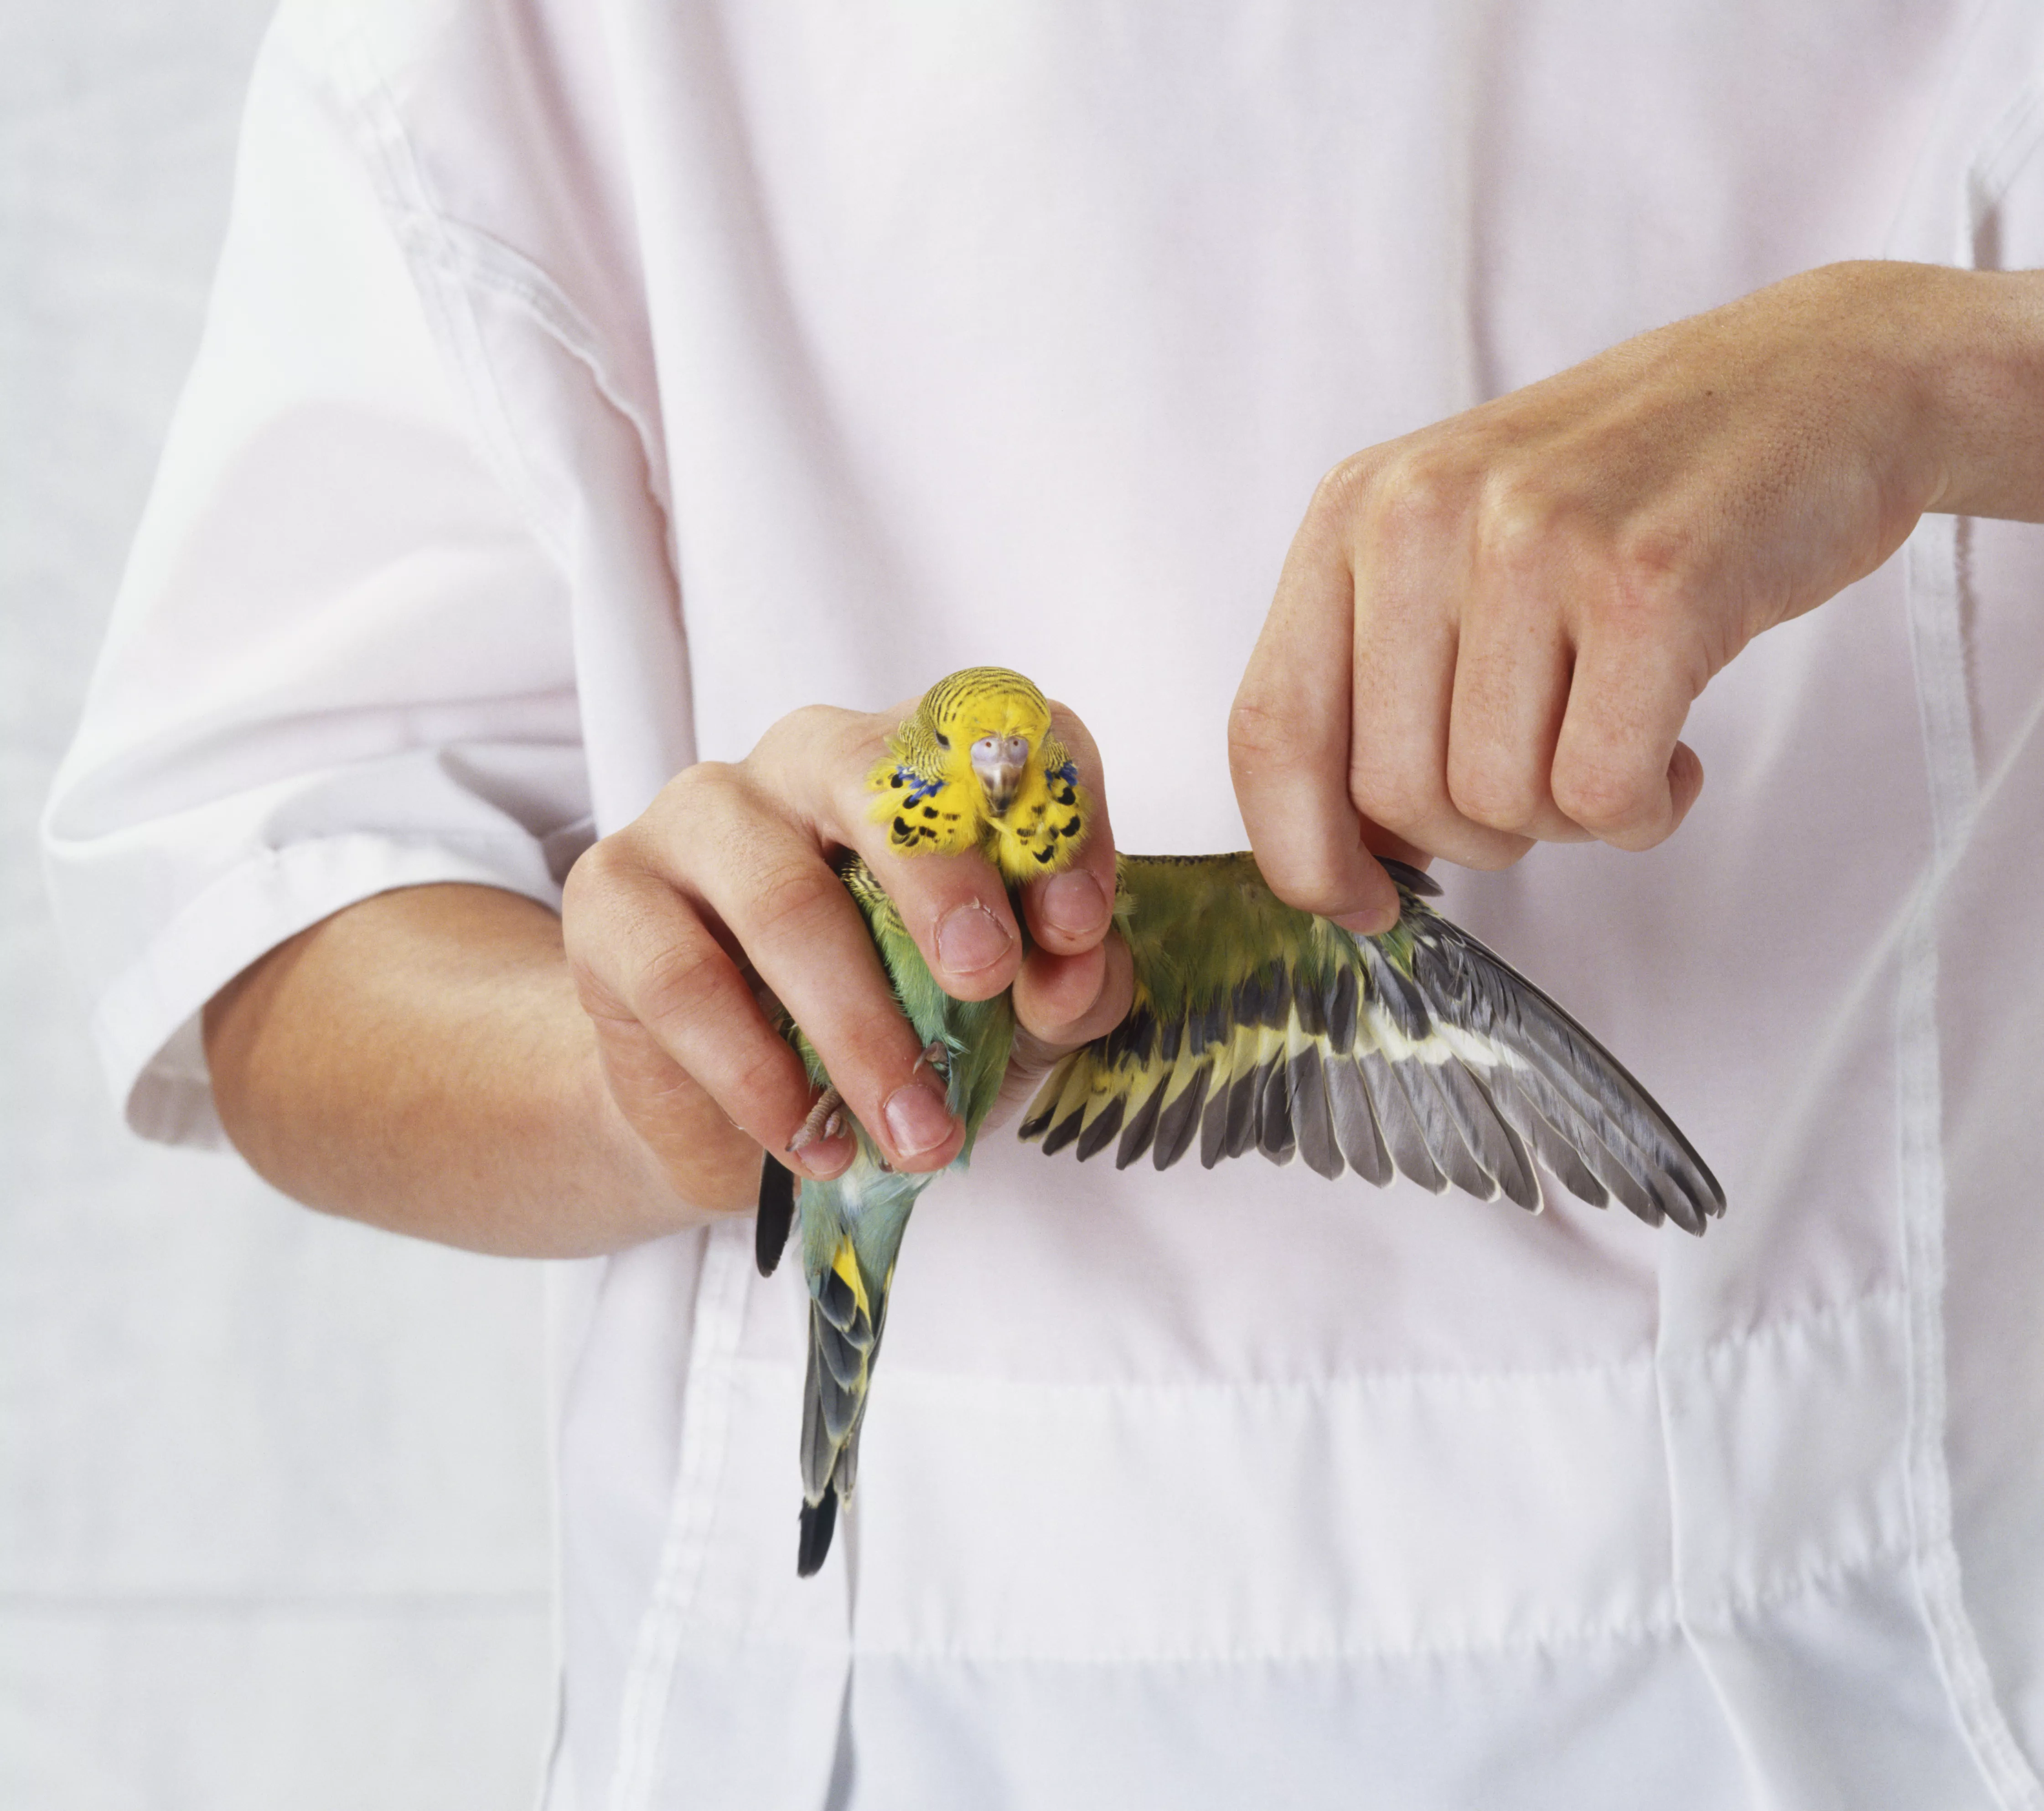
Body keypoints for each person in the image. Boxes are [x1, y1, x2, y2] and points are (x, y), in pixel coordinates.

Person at [43, 1, 2044, 1805]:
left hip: (1849, 1678)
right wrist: (659, 1064)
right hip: (874, 1707)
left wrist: (1946, 367)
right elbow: (271, 897)